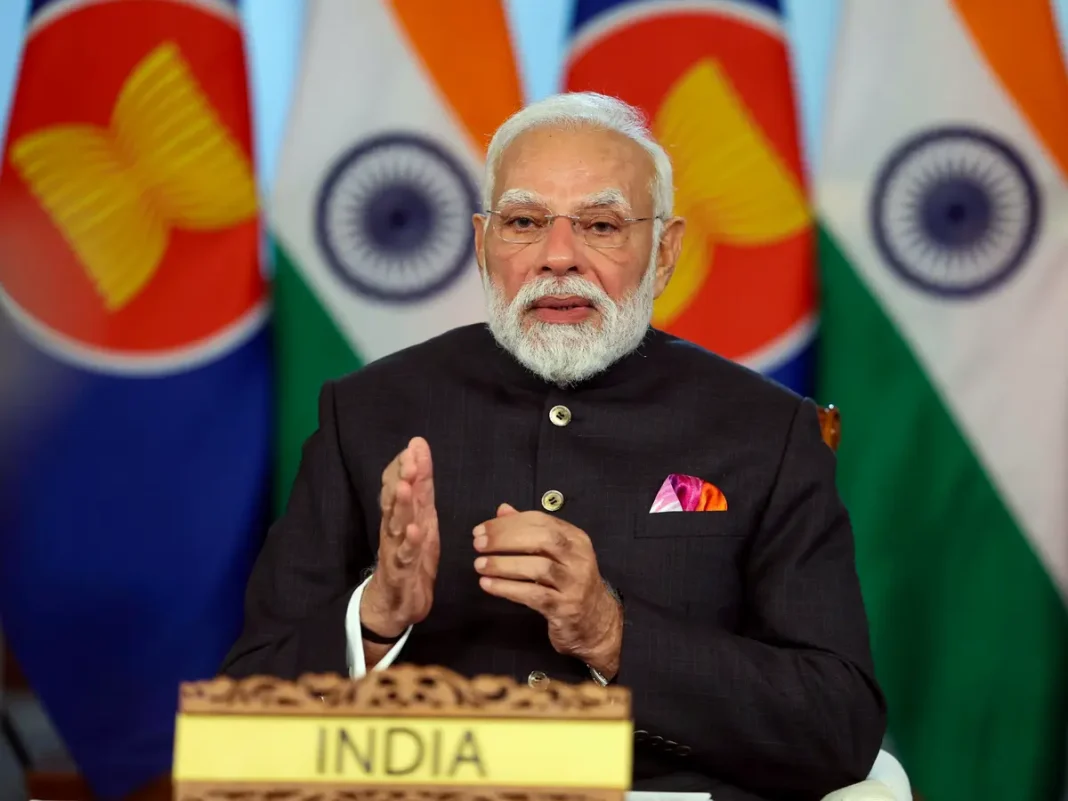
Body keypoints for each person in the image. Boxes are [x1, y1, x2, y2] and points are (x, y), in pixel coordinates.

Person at [221, 92, 886, 800]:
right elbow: (243, 723)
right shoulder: (367, 413)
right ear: (483, 244)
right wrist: (374, 618)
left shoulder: (764, 431)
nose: (557, 256)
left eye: (600, 224)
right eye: (524, 222)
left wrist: (614, 632)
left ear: (664, 253)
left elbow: (839, 726)